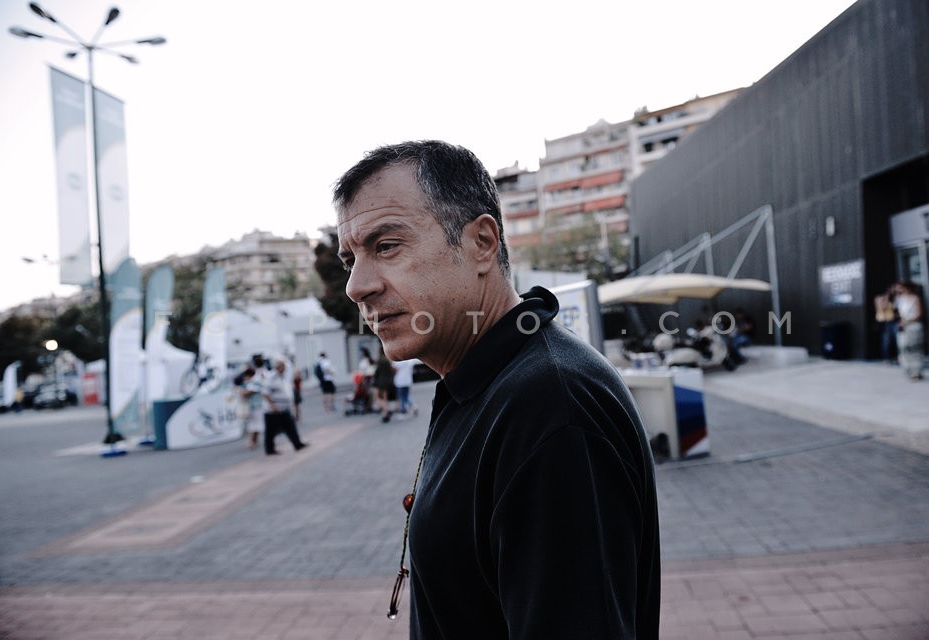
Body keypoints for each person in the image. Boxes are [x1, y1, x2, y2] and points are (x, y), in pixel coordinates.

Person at [334, 140, 660, 638]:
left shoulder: (549, 405)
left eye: (387, 246)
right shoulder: (488, 381)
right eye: (349, 259)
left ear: (482, 243)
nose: (357, 286)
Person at [261, 358, 308, 455]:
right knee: (270, 430)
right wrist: (273, 406)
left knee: (290, 427)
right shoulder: (271, 377)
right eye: (284, 366)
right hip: (272, 410)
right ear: (279, 367)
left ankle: (297, 444)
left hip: (284, 408)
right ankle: (269, 449)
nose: (285, 368)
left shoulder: (283, 376)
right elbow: (265, 393)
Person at [894, 281, 924, 381]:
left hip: (913, 327)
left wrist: (907, 321)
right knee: (903, 348)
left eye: (900, 288)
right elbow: (899, 313)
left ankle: (916, 372)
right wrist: (902, 321)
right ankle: (909, 369)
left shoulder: (915, 298)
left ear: (906, 288)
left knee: (914, 349)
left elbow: (919, 314)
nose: (898, 289)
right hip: (903, 327)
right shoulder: (900, 299)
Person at [238, 366, 264, 450]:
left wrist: (242, 391)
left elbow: (245, 393)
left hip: (256, 406)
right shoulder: (253, 382)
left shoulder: (254, 382)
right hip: (256, 406)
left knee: (254, 425)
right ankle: (254, 441)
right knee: (256, 425)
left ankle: (252, 442)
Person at [874, 288, 899, 364]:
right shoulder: (879, 299)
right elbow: (882, 308)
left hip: (892, 321)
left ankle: (896, 357)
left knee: (895, 340)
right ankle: (886, 358)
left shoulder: (892, 300)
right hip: (884, 322)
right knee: (886, 341)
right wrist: (886, 298)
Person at [372, 352, 396, 423]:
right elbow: (392, 371)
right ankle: (386, 413)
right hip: (389, 382)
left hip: (381, 383)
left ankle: (387, 411)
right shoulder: (388, 361)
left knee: (379, 399)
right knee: (385, 399)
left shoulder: (380, 361)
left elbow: (376, 373)